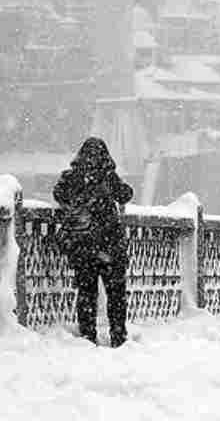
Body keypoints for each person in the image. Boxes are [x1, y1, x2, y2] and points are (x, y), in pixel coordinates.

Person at [53, 137, 134, 347]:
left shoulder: (72, 177)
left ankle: (88, 336)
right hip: (109, 245)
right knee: (116, 294)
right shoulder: (108, 177)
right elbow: (126, 195)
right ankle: (118, 335)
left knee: (86, 294)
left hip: (83, 246)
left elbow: (58, 194)